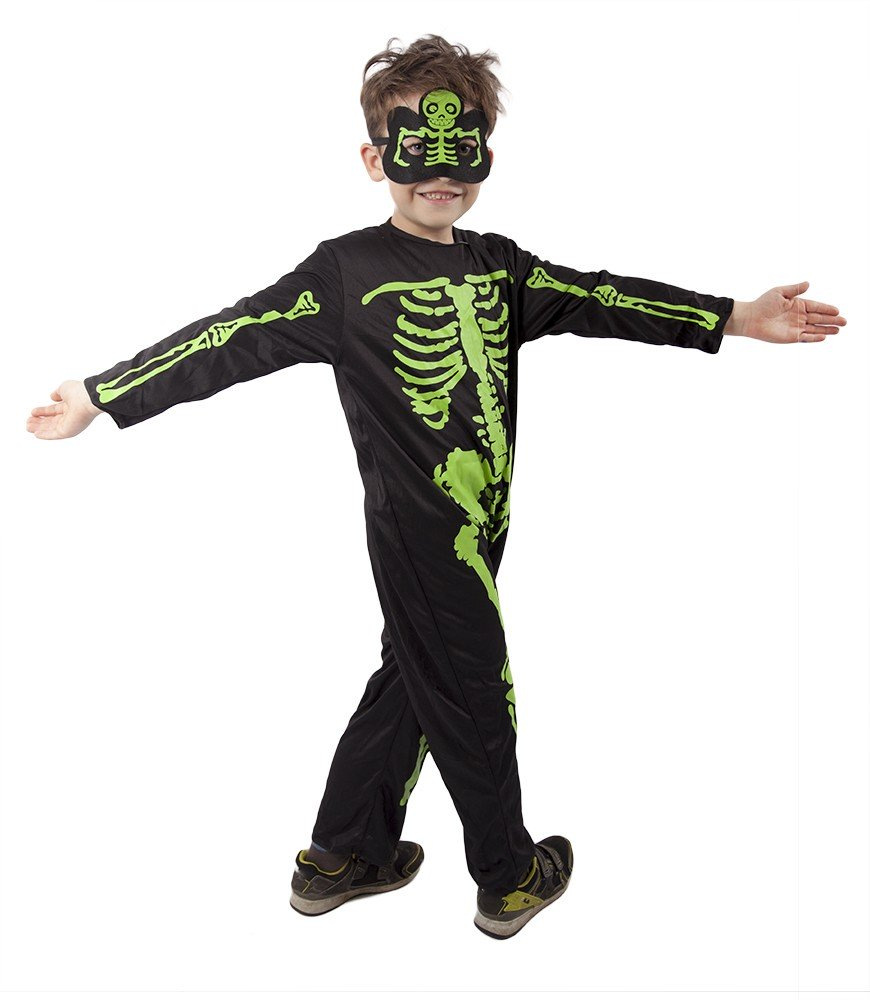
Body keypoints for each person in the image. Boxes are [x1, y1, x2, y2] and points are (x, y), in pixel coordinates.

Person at [24, 34, 847, 940]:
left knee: (415, 678)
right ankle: (509, 876)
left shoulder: (500, 265)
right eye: (419, 151)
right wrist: (101, 394)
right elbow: (230, 337)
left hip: (483, 521)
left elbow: (601, 297)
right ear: (375, 158)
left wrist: (735, 317)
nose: (442, 175)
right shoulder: (344, 274)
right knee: (477, 690)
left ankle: (344, 855)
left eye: (464, 152)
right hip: (420, 531)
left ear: (487, 152)